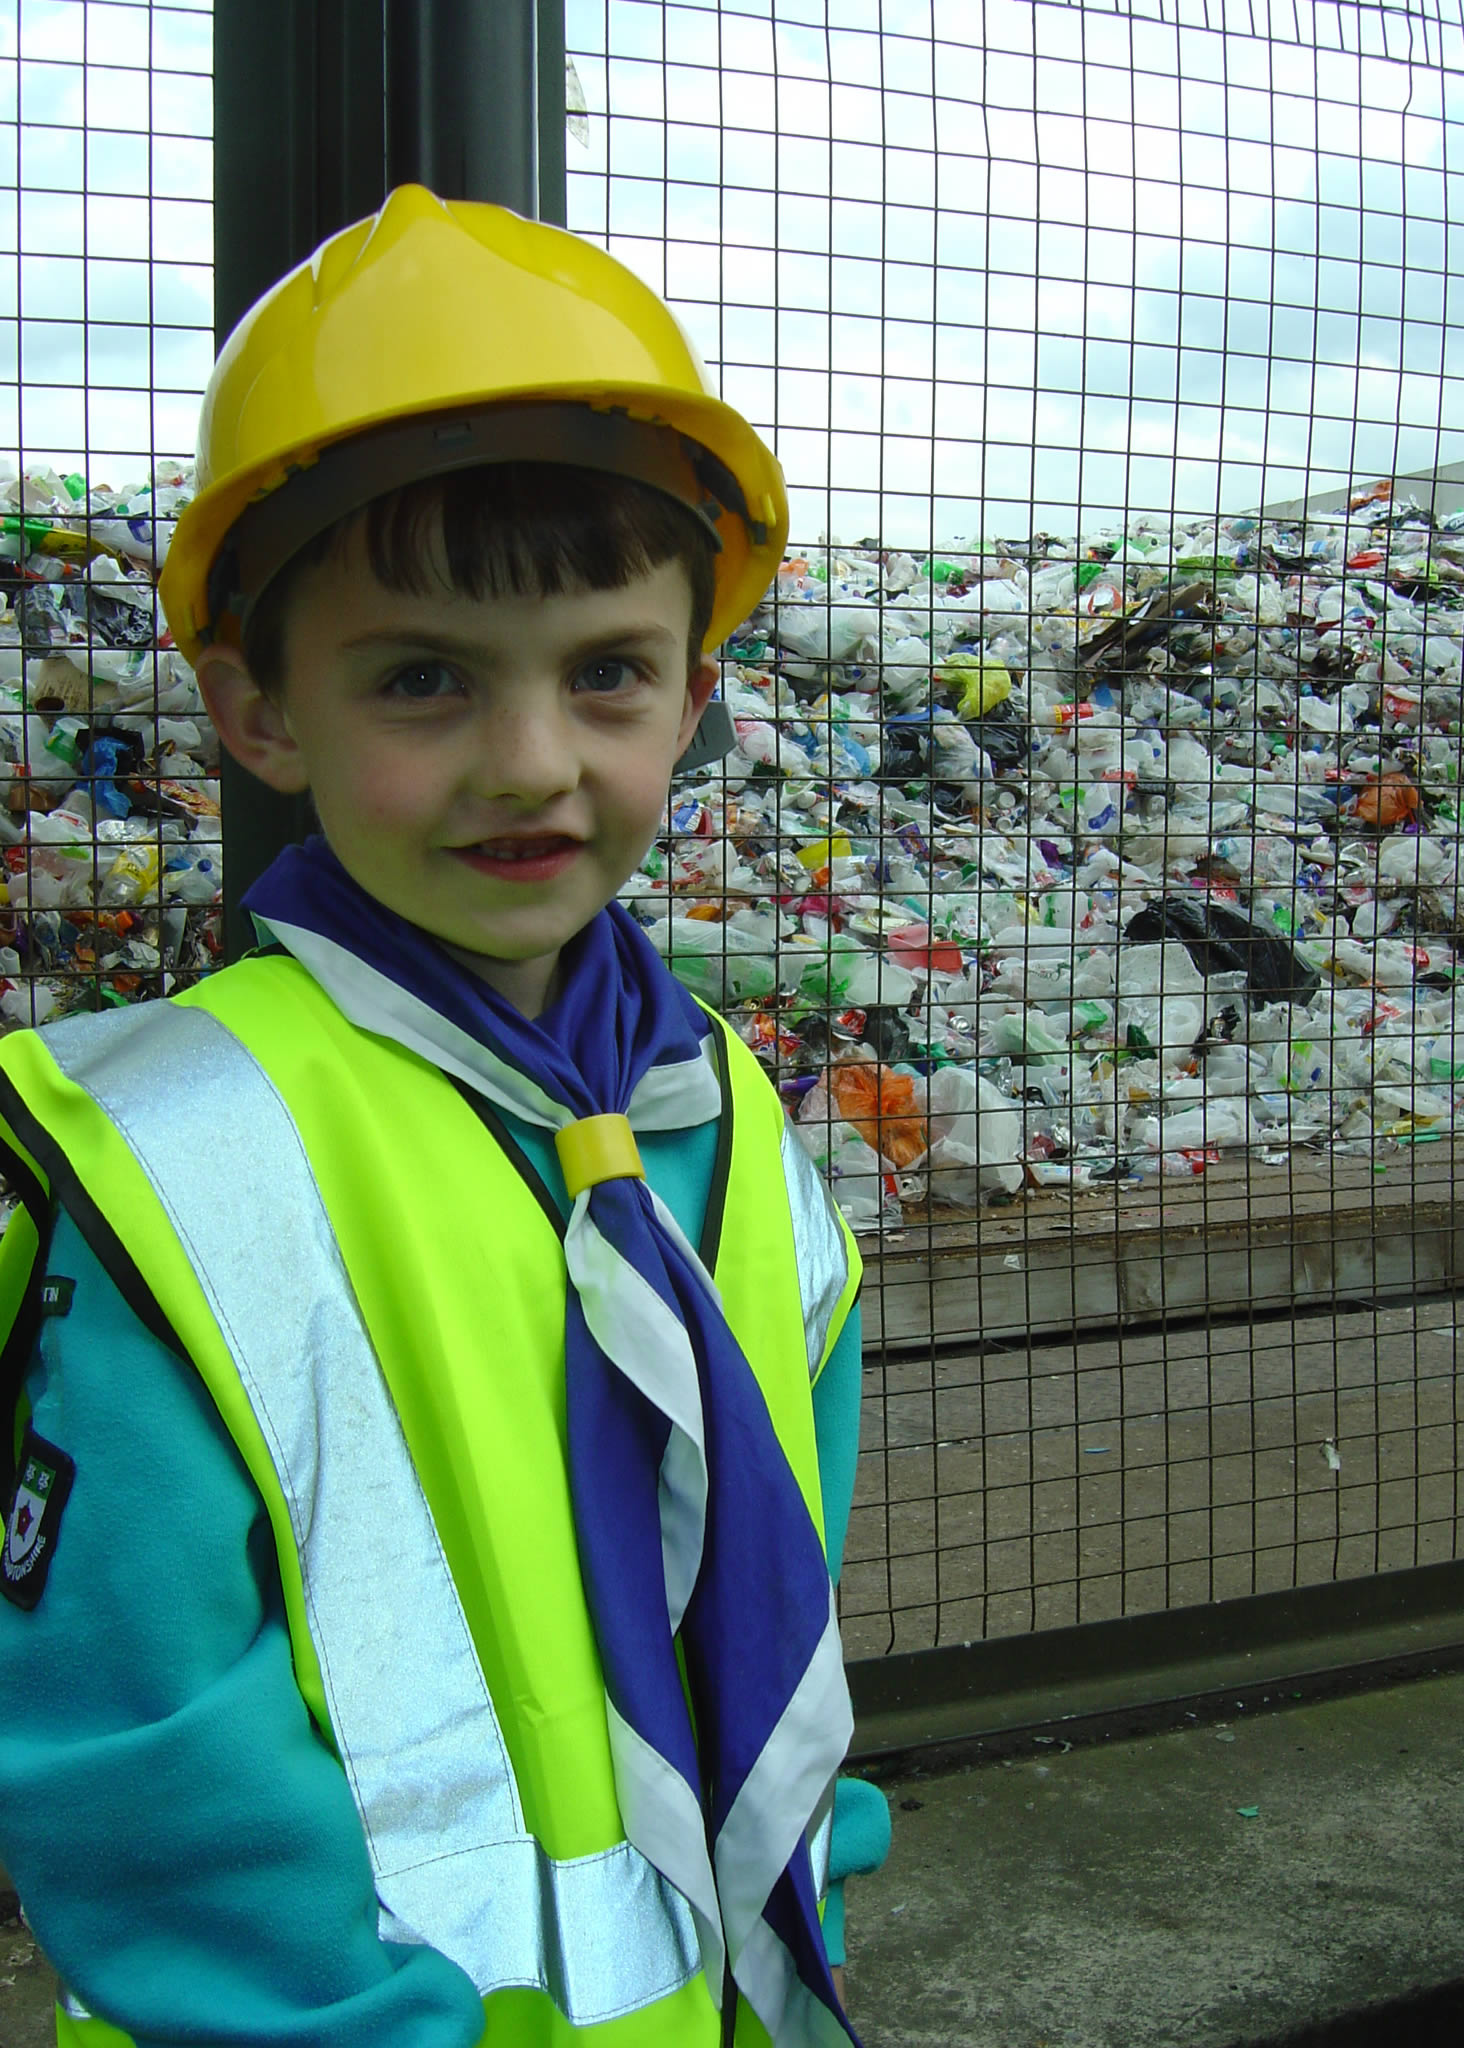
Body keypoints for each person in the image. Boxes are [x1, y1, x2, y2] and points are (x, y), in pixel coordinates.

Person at [0, 184, 888, 2048]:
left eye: (607, 676)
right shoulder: (153, 1164)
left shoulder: (718, 1104)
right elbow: (129, 1733)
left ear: (696, 698)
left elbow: (782, 1500)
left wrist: (806, 1829)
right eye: (422, 678)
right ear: (258, 712)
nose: (530, 764)